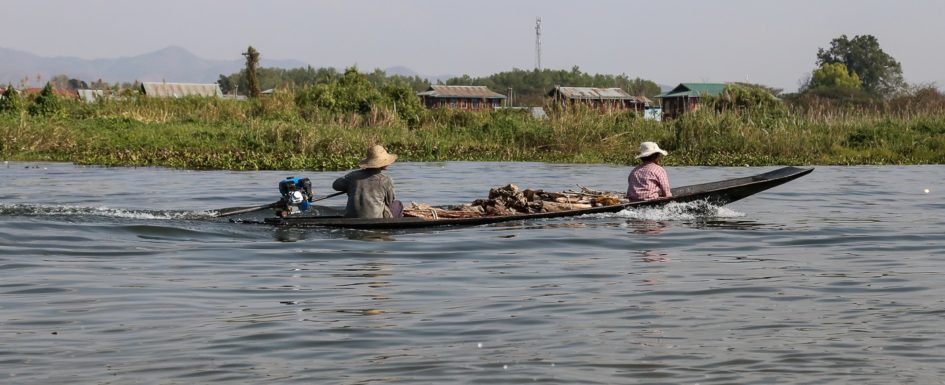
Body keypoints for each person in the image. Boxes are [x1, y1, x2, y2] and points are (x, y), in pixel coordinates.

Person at [333, 145, 399, 218]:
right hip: (375, 219)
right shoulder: (386, 180)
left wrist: (350, 185)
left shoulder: (352, 176)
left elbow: (336, 185)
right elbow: (389, 201)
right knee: (398, 205)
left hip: (350, 217)